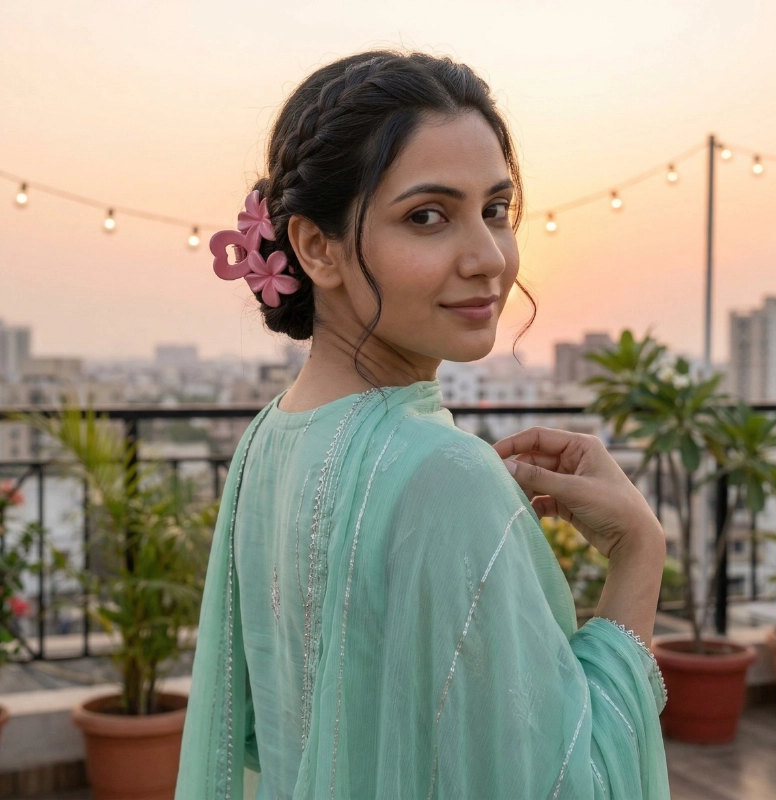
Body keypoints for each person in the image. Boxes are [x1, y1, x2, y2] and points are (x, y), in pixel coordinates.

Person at [175, 49, 670, 799]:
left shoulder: (267, 442)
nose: (488, 258)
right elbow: (569, 783)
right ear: (316, 247)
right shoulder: (444, 475)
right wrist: (639, 553)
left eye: (496, 210)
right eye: (428, 216)